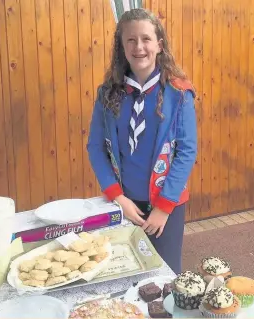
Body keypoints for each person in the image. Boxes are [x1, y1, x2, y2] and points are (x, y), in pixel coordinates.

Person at [87, 8, 197, 275]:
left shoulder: (179, 94)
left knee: (165, 279)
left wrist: (163, 207)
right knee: (126, 275)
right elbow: (95, 147)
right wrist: (117, 197)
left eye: (146, 39)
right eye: (131, 40)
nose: (139, 47)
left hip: (166, 207)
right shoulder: (107, 94)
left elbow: (186, 151)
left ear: (159, 45)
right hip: (124, 205)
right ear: (122, 47)